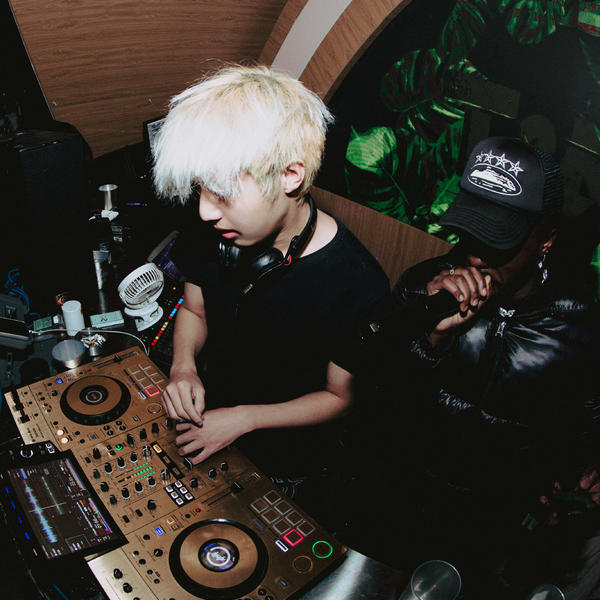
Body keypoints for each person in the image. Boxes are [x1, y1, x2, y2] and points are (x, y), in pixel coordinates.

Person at [151, 64, 390, 527]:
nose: (204, 211)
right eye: (200, 189)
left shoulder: (358, 283)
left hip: (291, 463)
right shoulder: (212, 235)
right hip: (209, 424)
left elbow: (338, 397)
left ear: (290, 175)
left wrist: (243, 418)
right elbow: (195, 309)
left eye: (221, 192)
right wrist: (183, 368)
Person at [386, 136, 600, 598]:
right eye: (472, 230)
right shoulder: (423, 288)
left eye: (501, 238)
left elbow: (585, 430)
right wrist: (431, 338)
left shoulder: (580, 330)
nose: (477, 255)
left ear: (546, 237)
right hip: (402, 507)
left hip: (498, 537)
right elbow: (378, 406)